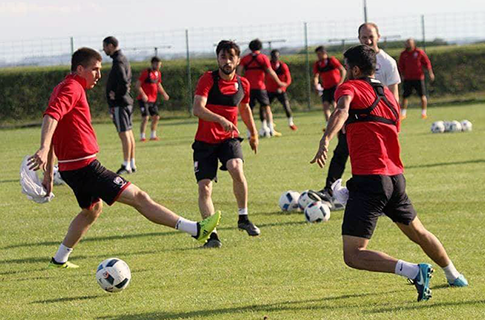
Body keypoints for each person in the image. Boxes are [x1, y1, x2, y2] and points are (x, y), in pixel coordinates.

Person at [28, 47, 221, 268]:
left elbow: (56, 125)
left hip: (73, 168)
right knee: (140, 197)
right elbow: (51, 116)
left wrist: (49, 173)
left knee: (91, 211)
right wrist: (43, 149)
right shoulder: (72, 88)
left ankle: (59, 259)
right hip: (85, 168)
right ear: (80, 69)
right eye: (95, 69)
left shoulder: (63, 86)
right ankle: (196, 229)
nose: (99, 75)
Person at [311, 45, 468, 302]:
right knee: (419, 232)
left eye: (346, 67)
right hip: (395, 179)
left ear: (355, 69)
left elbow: (341, 110)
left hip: (372, 179)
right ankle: (454, 274)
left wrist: (326, 138)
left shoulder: (349, 88)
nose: (344, 71)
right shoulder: (389, 97)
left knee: (353, 254)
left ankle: (414, 271)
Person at [316, 22, 402, 204]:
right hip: (356, 119)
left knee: (377, 160)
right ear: (359, 38)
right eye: (364, 37)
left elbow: (393, 97)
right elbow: (342, 107)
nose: (368, 40)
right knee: (342, 152)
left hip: (379, 121)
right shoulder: (355, 63)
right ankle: (331, 189)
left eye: (371, 36)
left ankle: (359, 194)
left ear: (378, 36)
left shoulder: (388, 63)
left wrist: (394, 122)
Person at [192, 40, 260, 248]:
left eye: (231, 57)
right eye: (223, 57)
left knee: (236, 168)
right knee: (205, 189)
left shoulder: (243, 84)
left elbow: (245, 108)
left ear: (238, 60)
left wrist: (253, 133)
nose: (227, 61)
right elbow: (197, 108)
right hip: (204, 142)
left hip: (228, 139)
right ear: (218, 59)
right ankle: (212, 235)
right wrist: (220, 119)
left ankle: (243, 218)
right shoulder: (208, 79)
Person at [237, 39, 286, 137]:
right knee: (266, 107)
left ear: (250, 47)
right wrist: (279, 82)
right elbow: (271, 72)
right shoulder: (263, 58)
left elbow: (238, 72)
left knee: (248, 109)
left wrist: (238, 84)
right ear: (260, 47)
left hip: (248, 88)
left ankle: (249, 132)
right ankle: (271, 129)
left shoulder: (245, 59)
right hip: (260, 87)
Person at [103, 36, 136, 175]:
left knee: (124, 133)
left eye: (104, 46)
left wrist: (116, 95)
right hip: (126, 102)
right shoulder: (123, 58)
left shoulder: (118, 61)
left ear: (110, 46)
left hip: (120, 104)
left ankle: (126, 164)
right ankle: (132, 163)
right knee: (128, 132)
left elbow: (123, 81)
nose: (104, 49)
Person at [398, 38, 435, 119]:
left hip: (418, 78)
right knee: (404, 97)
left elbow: (427, 63)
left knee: (422, 96)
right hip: (408, 78)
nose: (408, 45)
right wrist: (401, 75)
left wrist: (430, 73)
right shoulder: (403, 54)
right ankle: (403, 114)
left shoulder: (419, 52)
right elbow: (400, 66)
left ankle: (423, 113)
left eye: (409, 43)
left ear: (413, 44)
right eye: (406, 43)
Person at [136, 56, 170, 141]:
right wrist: (143, 95)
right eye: (157, 64)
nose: (158, 66)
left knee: (156, 117)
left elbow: (158, 85)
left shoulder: (158, 73)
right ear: (152, 64)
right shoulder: (146, 73)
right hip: (143, 99)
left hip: (153, 99)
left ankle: (153, 135)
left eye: (159, 65)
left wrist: (164, 94)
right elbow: (137, 85)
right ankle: (142, 136)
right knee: (146, 117)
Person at [312, 46, 346, 122]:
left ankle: (339, 123)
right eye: (317, 54)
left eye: (319, 54)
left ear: (324, 53)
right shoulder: (317, 64)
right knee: (325, 106)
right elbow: (316, 77)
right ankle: (328, 125)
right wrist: (316, 85)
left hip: (335, 87)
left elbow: (343, 70)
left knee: (335, 105)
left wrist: (340, 83)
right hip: (326, 88)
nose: (318, 56)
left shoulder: (331, 61)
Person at [266, 49, 297, 131]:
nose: (275, 58)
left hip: (280, 91)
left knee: (286, 106)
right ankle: (268, 125)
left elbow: (288, 80)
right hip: (269, 90)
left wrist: (282, 88)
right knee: (265, 108)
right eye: (273, 56)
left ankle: (291, 123)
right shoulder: (268, 66)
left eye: (276, 56)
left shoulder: (283, 66)